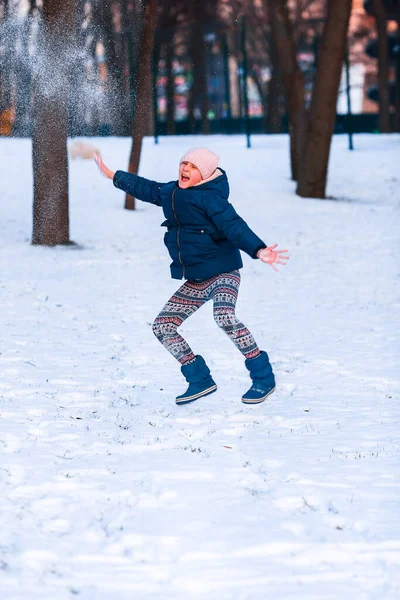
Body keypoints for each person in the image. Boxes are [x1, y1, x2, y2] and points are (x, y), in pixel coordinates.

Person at [94, 147, 289, 405]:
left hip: (223, 273)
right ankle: (200, 379)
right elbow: (145, 188)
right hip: (197, 280)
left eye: (193, 166)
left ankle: (263, 377)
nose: (185, 169)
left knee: (224, 316)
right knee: (163, 326)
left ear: (205, 173)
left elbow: (234, 226)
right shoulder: (171, 192)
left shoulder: (212, 199)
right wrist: (113, 175)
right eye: (184, 163)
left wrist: (258, 249)